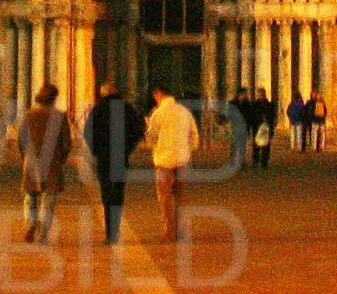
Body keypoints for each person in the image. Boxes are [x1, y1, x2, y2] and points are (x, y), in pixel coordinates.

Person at [84, 81, 144, 246]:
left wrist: (95, 149)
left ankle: (110, 233)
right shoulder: (127, 108)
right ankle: (115, 230)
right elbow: (139, 129)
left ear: (103, 93)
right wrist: (128, 148)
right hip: (120, 157)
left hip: (104, 157)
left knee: (106, 194)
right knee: (118, 193)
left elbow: (88, 132)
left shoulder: (98, 109)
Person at [15, 84, 73, 243]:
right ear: (54, 98)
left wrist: (24, 157)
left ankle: (31, 223)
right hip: (52, 162)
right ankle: (42, 235)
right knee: (48, 199)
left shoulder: (28, 115)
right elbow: (66, 143)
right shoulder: (60, 116)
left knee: (30, 197)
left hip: (31, 161)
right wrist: (61, 159)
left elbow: (20, 140)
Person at [146, 80, 200, 244]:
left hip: (164, 161)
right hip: (183, 159)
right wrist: (188, 150)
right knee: (181, 197)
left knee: (165, 197)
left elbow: (151, 137)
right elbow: (194, 135)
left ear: (158, 95)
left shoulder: (158, 114)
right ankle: (182, 231)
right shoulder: (185, 112)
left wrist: (155, 146)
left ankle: (170, 231)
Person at [251, 87, 275, 169]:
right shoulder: (254, 105)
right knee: (256, 145)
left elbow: (272, 116)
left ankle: (264, 162)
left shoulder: (269, 105)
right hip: (257, 127)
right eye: (259, 94)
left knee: (266, 146)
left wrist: (270, 125)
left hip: (267, 127)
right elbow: (252, 115)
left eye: (262, 94)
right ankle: (255, 161)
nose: (261, 95)